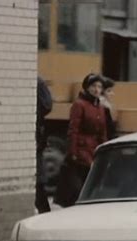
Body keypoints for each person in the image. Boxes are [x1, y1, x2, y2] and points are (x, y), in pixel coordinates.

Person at [54, 73, 107, 207]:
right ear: (87, 87)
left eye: (99, 87)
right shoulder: (79, 104)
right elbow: (73, 130)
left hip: (93, 150)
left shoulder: (100, 107)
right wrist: (73, 152)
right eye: (93, 86)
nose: (96, 90)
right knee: (78, 186)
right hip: (81, 151)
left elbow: (102, 132)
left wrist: (105, 150)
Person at [35, 76, 53, 213]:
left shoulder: (38, 82)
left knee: (38, 179)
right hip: (36, 133)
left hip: (36, 133)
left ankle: (44, 211)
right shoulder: (38, 81)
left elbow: (47, 105)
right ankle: (44, 210)